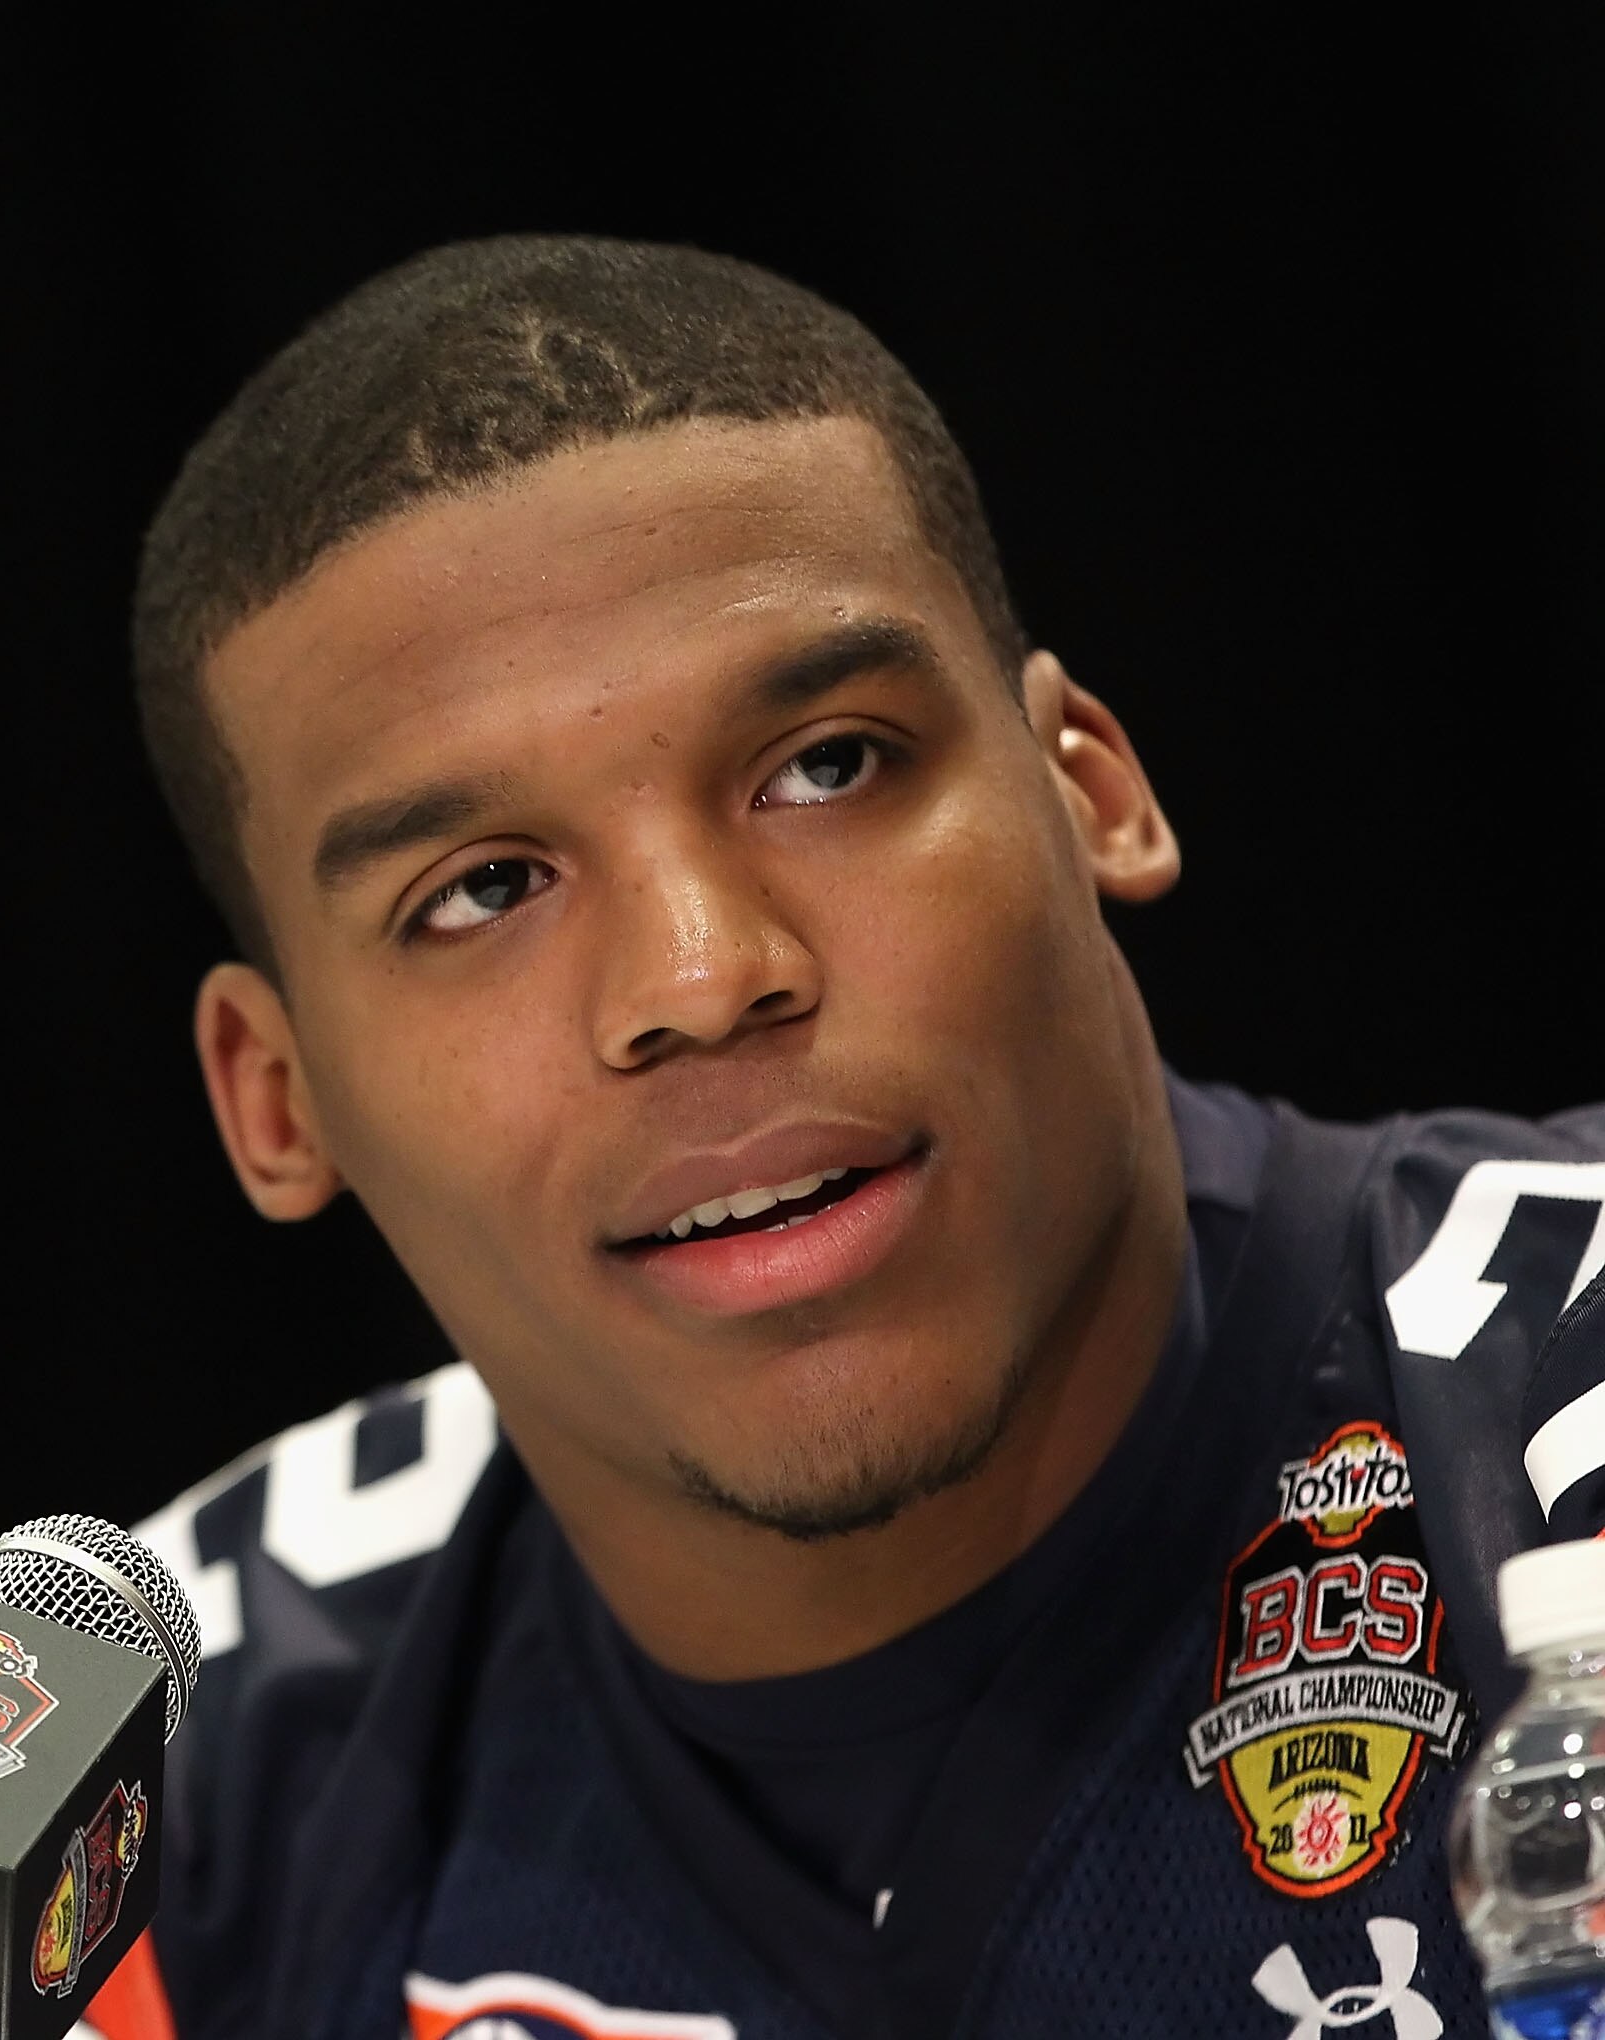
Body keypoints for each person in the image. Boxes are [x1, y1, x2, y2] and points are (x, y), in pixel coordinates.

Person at [78, 237, 1604, 2040]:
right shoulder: (184, 1753)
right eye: (484, 888)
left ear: (1088, 788)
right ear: (279, 1097)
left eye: (828, 766)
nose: (705, 975)